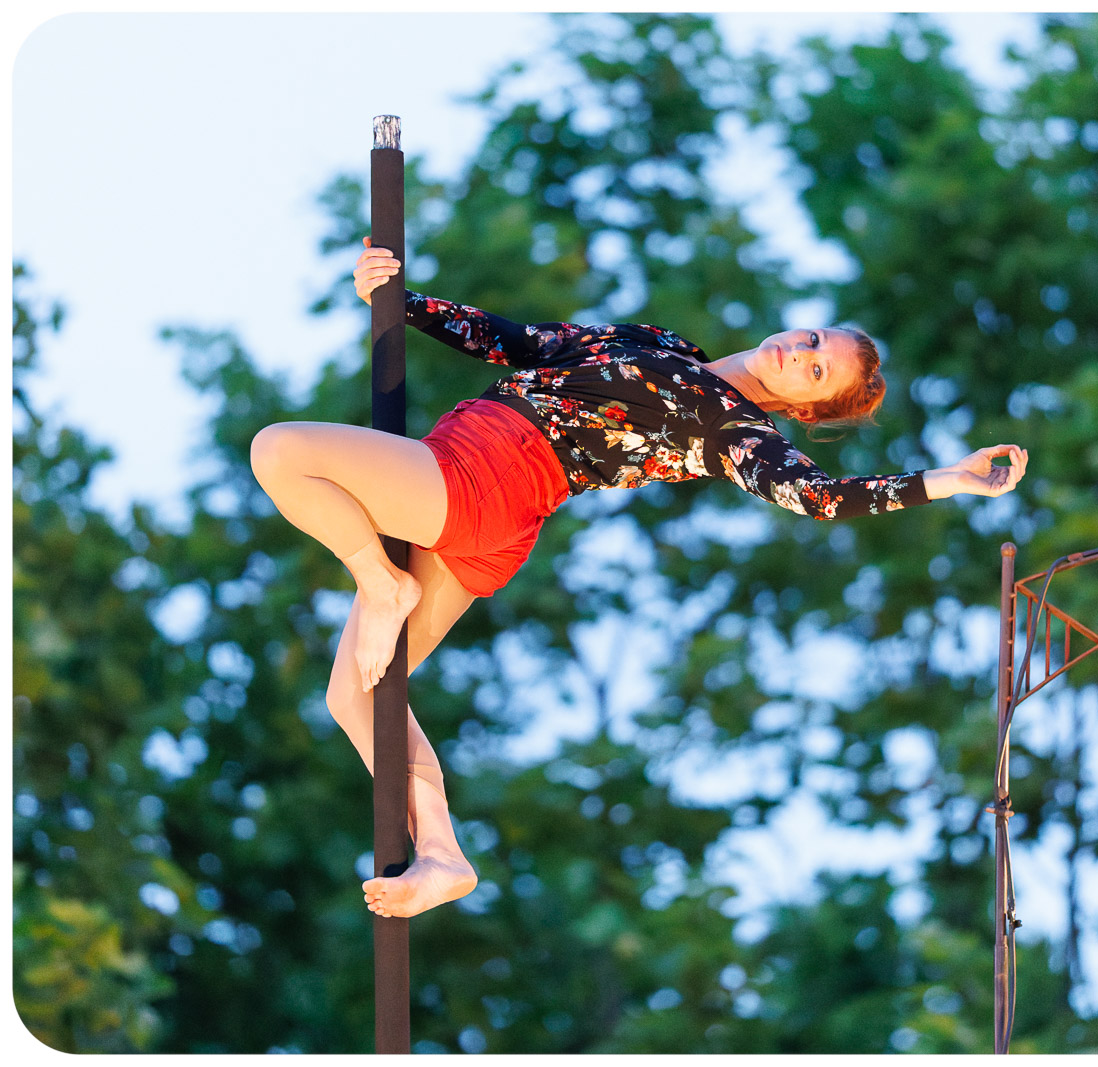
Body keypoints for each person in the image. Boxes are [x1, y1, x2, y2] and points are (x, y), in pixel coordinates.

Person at [249, 238, 1029, 919]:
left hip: (484, 474)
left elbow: (820, 499)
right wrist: (402, 302)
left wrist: (946, 480)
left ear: (803, 408)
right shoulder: (660, 342)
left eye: (816, 371)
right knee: (354, 694)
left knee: (280, 452)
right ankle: (445, 851)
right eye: (813, 337)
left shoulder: (735, 429)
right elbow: (522, 342)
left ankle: (383, 583)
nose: (800, 351)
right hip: (493, 506)